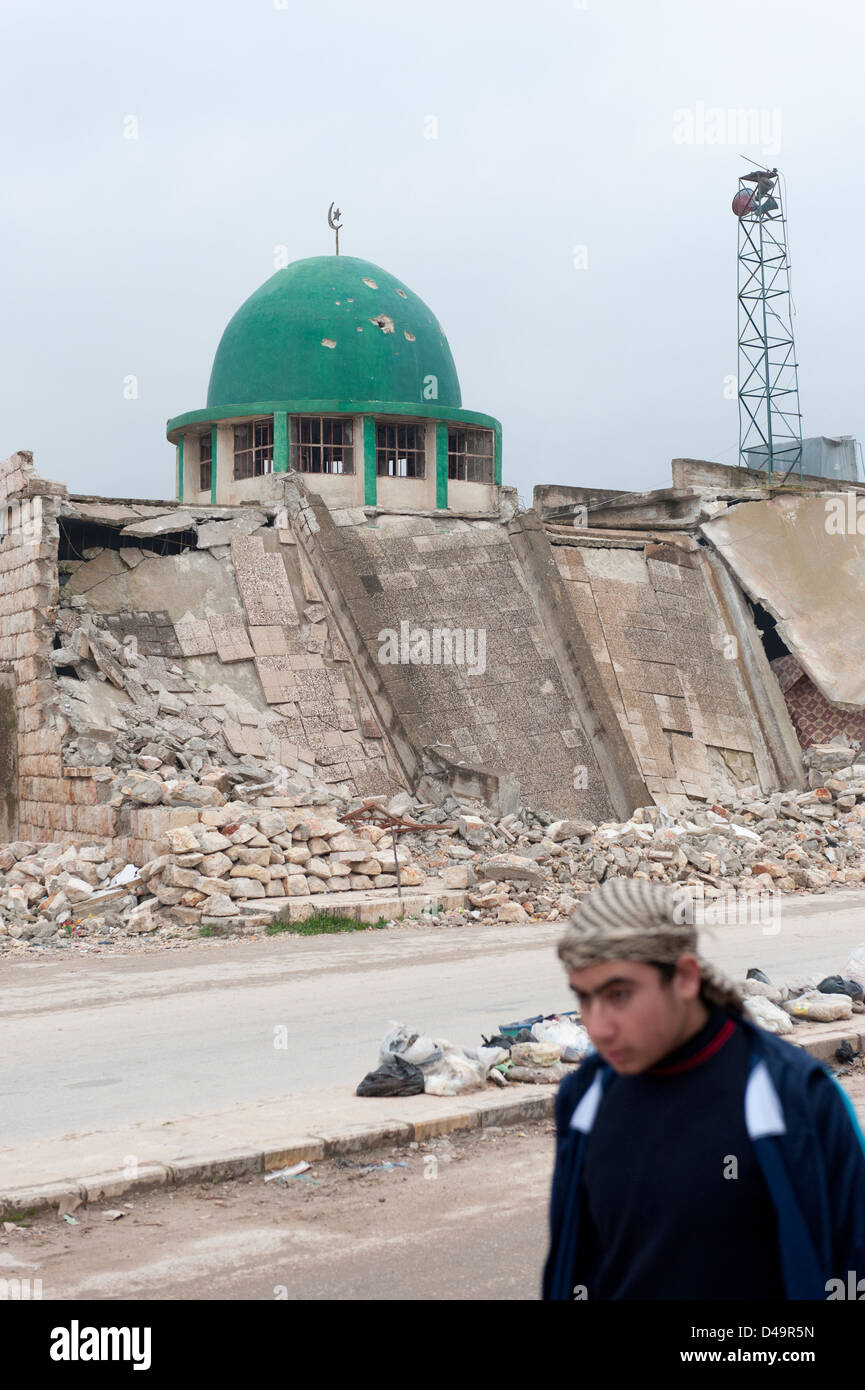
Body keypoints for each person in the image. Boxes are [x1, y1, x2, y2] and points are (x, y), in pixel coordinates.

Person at [542, 876, 865, 1301]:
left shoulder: (794, 1097)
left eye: (620, 995)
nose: (597, 1027)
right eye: (584, 999)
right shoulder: (586, 1097)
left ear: (685, 978)